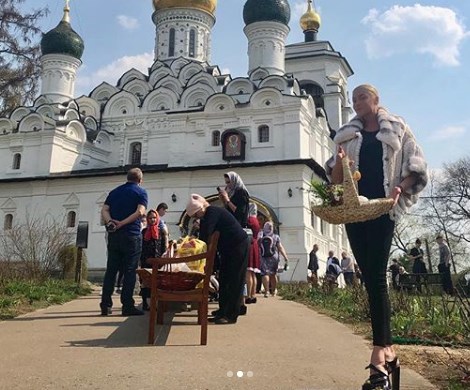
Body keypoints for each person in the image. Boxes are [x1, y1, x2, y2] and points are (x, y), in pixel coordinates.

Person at [326, 84, 427, 389]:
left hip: (383, 209)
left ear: (376, 100)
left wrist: (399, 188)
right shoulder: (345, 135)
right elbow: (335, 180)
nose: (357, 102)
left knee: (378, 276)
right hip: (355, 211)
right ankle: (389, 349)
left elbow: (417, 165)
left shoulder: (397, 128)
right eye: (354, 98)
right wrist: (342, 162)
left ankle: (378, 355)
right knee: (369, 276)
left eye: (362, 97)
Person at [185, 194, 249, 324]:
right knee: (224, 279)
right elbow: (205, 233)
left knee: (234, 280)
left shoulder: (212, 212)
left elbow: (206, 233)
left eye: (196, 215)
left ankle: (231, 314)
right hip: (228, 248)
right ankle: (223, 310)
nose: (197, 219)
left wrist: (196, 244)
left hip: (238, 246)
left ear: (200, 210)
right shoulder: (208, 214)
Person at [100, 168, 148, 316]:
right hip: (131, 235)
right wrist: (123, 223)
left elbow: (105, 209)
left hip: (114, 236)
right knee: (129, 270)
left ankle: (105, 304)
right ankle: (127, 305)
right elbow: (140, 212)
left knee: (111, 270)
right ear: (140, 180)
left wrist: (111, 223)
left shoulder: (114, 192)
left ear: (127, 178)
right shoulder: (141, 192)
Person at [139, 209, 166, 311]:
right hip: (146, 260)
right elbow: (141, 246)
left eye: (154, 218)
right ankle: (145, 302)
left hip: (157, 261)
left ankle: (156, 303)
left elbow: (163, 247)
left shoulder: (161, 232)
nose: (152, 220)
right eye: (150, 218)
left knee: (157, 282)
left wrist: (162, 259)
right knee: (145, 282)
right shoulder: (144, 232)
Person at [259, 221, 289, 298]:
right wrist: (285, 257)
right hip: (274, 257)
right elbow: (280, 247)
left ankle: (266, 291)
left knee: (265, 274)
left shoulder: (261, 235)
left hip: (263, 257)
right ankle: (274, 290)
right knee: (273, 274)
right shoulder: (276, 237)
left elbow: (257, 244)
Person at [245, 203, 261, 304]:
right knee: (253, 273)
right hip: (255, 244)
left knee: (248, 271)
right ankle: (253, 294)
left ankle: (248, 295)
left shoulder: (249, 220)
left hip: (249, 244)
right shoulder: (256, 221)